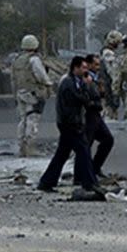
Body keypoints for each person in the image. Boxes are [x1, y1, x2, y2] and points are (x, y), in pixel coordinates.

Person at [37, 57, 99, 192]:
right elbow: (79, 100)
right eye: (83, 68)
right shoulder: (68, 83)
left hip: (71, 123)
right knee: (83, 151)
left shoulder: (75, 82)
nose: (86, 70)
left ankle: (46, 182)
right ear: (75, 68)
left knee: (62, 154)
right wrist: (87, 87)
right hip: (70, 124)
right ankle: (89, 183)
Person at [11, 34, 53, 157]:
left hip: (20, 92)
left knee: (22, 119)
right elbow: (41, 75)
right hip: (33, 93)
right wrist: (48, 84)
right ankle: (30, 147)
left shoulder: (17, 59)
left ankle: (21, 148)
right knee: (32, 119)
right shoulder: (34, 59)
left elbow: (13, 78)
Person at [85, 54, 114, 178]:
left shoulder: (96, 78)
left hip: (97, 114)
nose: (98, 67)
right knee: (86, 145)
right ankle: (82, 174)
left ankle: (95, 168)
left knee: (108, 139)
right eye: (95, 64)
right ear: (89, 64)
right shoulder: (85, 79)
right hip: (88, 115)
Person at [99, 31, 123, 120]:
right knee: (110, 118)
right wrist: (116, 95)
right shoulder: (108, 54)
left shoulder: (104, 53)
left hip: (105, 91)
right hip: (108, 92)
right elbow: (115, 76)